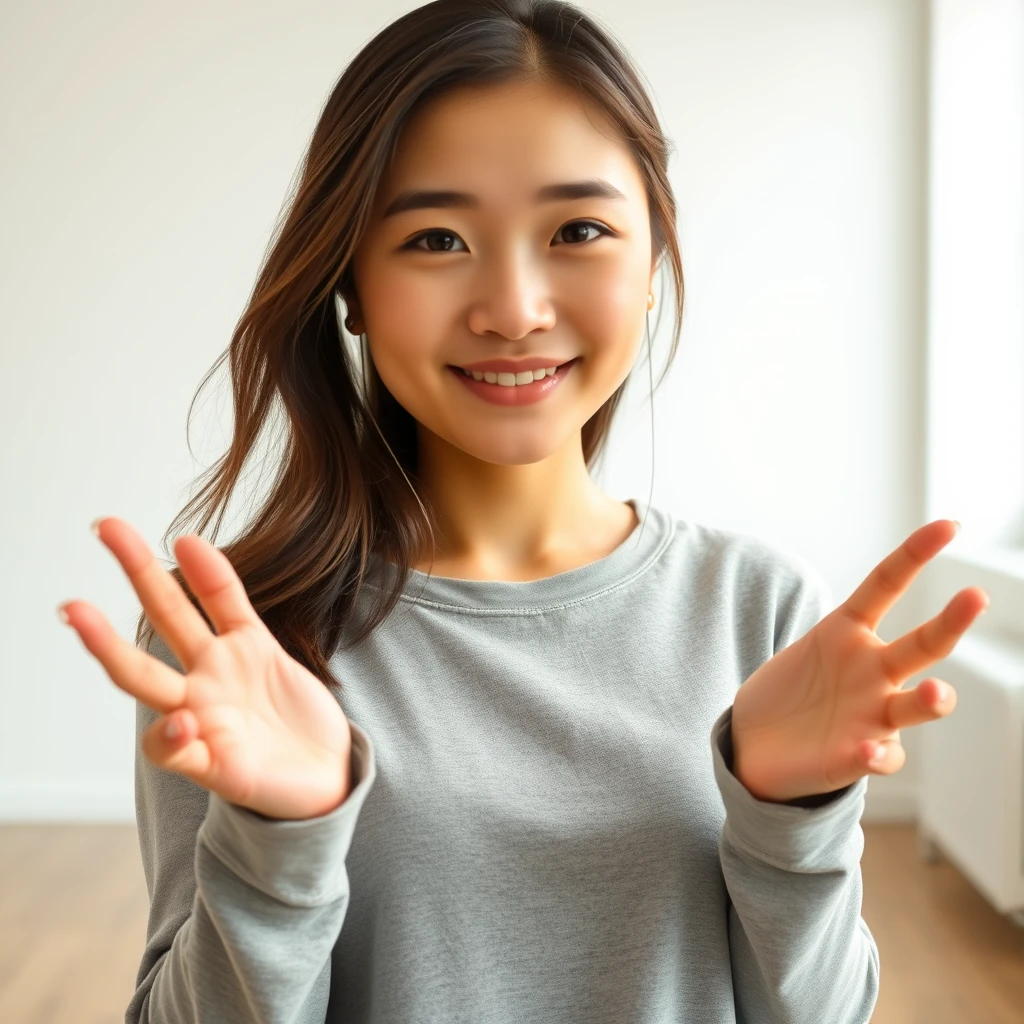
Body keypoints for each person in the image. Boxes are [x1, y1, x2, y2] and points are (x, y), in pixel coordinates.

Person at [57, 1, 990, 1021]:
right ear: (350, 286)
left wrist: (791, 820)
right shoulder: (247, 634)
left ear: (651, 266)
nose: (513, 306)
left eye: (578, 230)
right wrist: (278, 847)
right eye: (437, 237)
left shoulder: (758, 609)